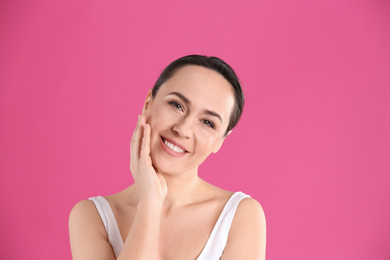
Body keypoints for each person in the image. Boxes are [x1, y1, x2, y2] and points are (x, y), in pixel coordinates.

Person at [69, 55, 266, 260]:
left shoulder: (240, 216)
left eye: (207, 122)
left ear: (220, 141)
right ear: (148, 103)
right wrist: (150, 202)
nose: (182, 129)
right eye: (177, 105)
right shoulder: (93, 216)